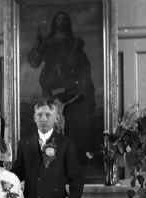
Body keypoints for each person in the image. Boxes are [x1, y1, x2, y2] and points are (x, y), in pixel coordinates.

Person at [27, 10, 96, 164]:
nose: (61, 22)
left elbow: (84, 70)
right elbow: (33, 63)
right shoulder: (48, 42)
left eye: (63, 19)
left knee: (74, 131)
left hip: (72, 94)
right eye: (58, 19)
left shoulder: (75, 44)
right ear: (54, 23)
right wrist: (37, 47)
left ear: (68, 23)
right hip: (51, 91)